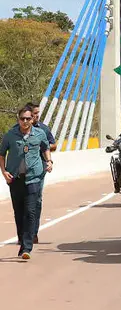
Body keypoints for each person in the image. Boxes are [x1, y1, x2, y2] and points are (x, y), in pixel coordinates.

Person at [0, 105, 53, 260]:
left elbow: (46, 147)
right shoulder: (10, 135)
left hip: (34, 177)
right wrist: (4, 172)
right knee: (19, 212)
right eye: (22, 118)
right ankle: (22, 240)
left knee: (30, 211)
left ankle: (27, 247)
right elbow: (1, 154)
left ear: (32, 119)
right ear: (18, 119)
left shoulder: (40, 133)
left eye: (28, 118)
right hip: (15, 178)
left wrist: (49, 161)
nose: (25, 121)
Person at [25, 102, 56, 243]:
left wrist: (42, 145)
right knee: (22, 202)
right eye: (35, 113)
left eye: (38, 113)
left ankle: (33, 233)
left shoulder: (43, 129)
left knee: (36, 200)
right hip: (22, 170)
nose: (37, 116)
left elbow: (53, 144)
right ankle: (24, 233)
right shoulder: (18, 130)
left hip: (39, 170)